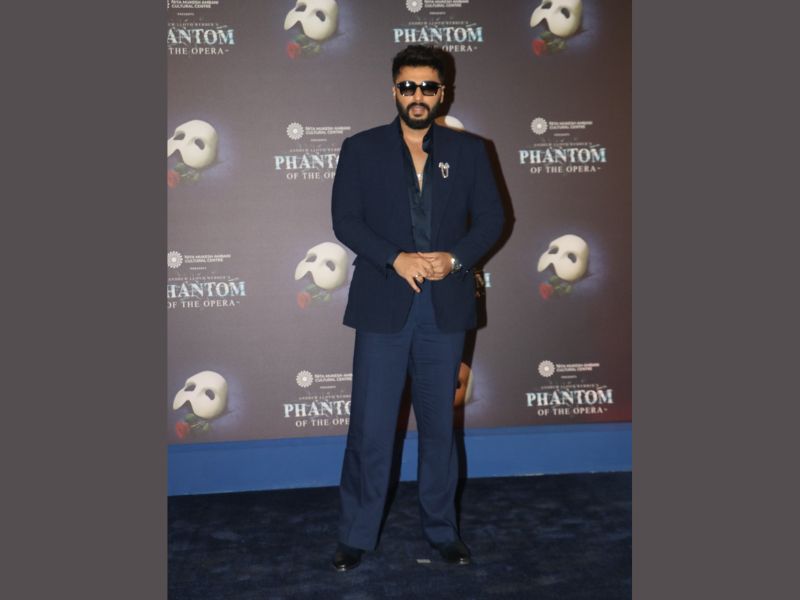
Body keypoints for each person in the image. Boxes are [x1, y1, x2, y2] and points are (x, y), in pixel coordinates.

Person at [330, 44, 505, 572]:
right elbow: (345, 219)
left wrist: (454, 258)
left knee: (439, 430)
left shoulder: (470, 151)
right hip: (383, 303)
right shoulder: (361, 149)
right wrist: (395, 257)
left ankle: (443, 532)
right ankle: (356, 535)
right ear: (394, 90)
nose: (418, 96)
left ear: (442, 92)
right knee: (370, 428)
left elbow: (492, 220)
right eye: (408, 86)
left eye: (428, 86)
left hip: (444, 309)